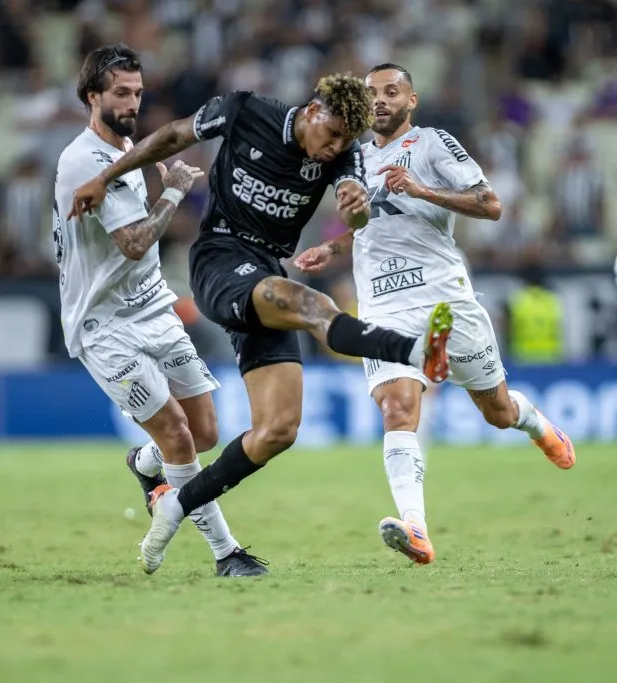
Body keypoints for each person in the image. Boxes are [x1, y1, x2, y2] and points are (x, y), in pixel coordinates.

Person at [69, 70, 455, 574]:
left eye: (345, 140)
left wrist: (355, 207)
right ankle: (415, 351)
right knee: (311, 306)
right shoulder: (245, 110)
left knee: (278, 430)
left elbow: (356, 210)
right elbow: (171, 136)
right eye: (332, 132)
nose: (334, 146)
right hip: (219, 259)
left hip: (266, 274)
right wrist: (106, 176)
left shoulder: (344, 152)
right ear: (314, 110)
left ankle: (174, 507)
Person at [293, 64, 576, 566]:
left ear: (411, 100)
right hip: (382, 302)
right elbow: (373, 223)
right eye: (371, 93)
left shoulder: (432, 143)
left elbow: (490, 205)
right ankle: (416, 527)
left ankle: (535, 424)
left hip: (445, 296)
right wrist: (332, 250)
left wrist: (422, 190)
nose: (379, 100)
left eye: (391, 92)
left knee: (498, 412)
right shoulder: (351, 156)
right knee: (398, 408)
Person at [54, 44, 266, 577]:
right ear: (91, 96)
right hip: (104, 327)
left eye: (138, 93)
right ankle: (227, 553)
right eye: (121, 93)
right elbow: (132, 241)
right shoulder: (84, 158)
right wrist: (172, 193)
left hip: (152, 307)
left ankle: (145, 466)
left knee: (205, 433)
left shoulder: (125, 147)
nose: (131, 102)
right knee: (175, 432)